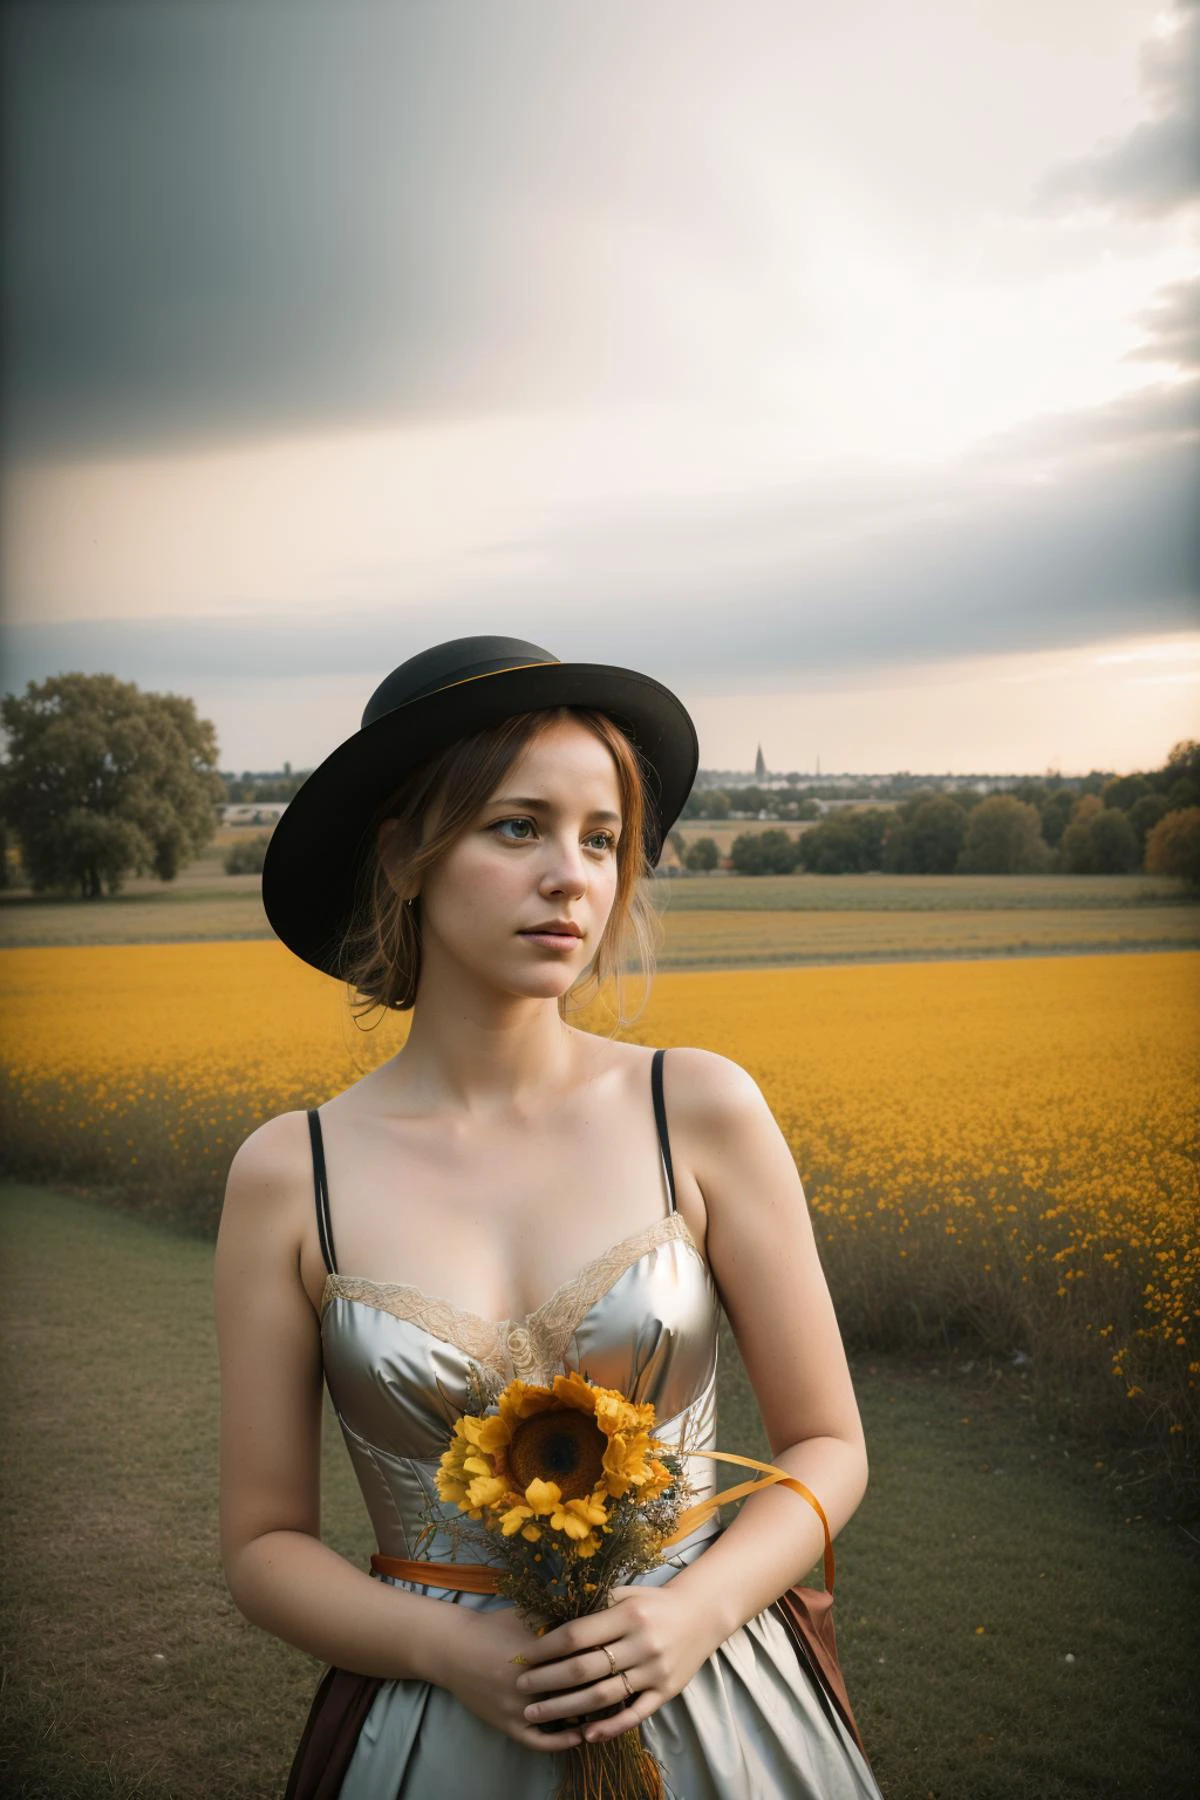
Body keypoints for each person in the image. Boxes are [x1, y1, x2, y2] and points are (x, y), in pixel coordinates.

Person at [214, 634, 885, 1799]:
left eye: (602, 838)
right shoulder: (291, 1172)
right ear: (405, 854)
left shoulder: (700, 1108)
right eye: (517, 827)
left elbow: (831, 1447)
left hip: (720, 1698)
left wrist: (697, 1611)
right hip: (438, 1728)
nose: (572, 875)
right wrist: (448, 1649)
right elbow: (264, 1547)